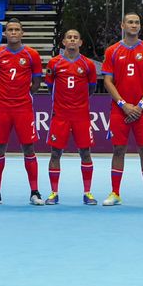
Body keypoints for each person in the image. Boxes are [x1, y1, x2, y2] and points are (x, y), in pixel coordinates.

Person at [0, 19, 44, 205]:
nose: (14, 32)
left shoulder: (32, 55)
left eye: (17, 29)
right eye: (10, 30)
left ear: (22, 33)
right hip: (2, 108)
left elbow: (36, 83)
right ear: (5, 33)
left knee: (29, 149)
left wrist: (21, 95)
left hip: (23, 109)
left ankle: (34, 192)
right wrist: (5, 95)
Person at [101, 12, 143, 206]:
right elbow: (108, 81)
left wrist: (141, 105)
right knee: (118, 150)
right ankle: (115, 192)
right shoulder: (112, 51)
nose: (134, 25)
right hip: (120, 110)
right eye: (130, 22)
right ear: (122, 25)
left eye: (137, 23)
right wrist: (123, 104)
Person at [44, 29, 98, 205]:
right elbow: (50, 85)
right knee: (55, 153)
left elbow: (91, 88)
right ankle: (53, 192)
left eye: (76, 37)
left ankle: (88, 192)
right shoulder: (54, 63)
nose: (73, 40)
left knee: (85, 153)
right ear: (64, 42)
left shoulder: (88, 64)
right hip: (60, 116)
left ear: (81, 42)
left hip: (81, 116)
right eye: (69, 37)